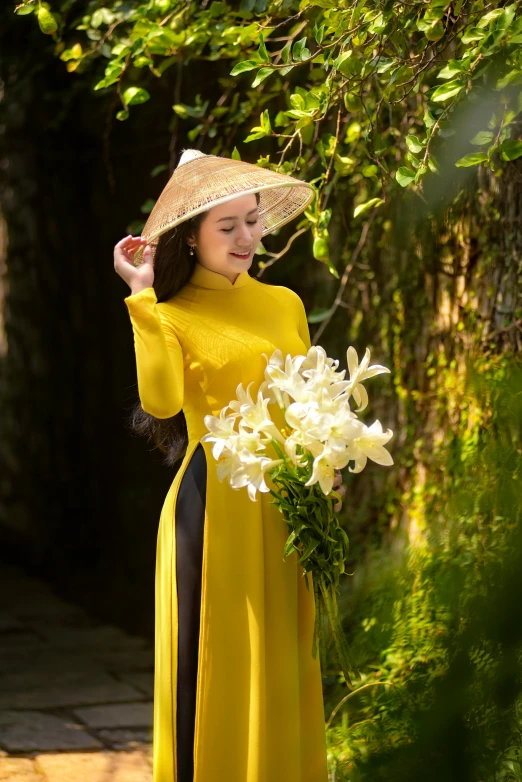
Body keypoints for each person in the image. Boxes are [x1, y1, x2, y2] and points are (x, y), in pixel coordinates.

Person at [113, 148, 346, 782]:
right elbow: (161, 401)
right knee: (213, 666)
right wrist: (141, 298)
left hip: (287, 510)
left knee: (281, 665)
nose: (248, 238)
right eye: (228, 226)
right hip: (212, 511)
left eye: (253, 220)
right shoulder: (171, 313)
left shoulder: (286, 303)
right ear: (190, 236)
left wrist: (326, 462)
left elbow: (304, 398)